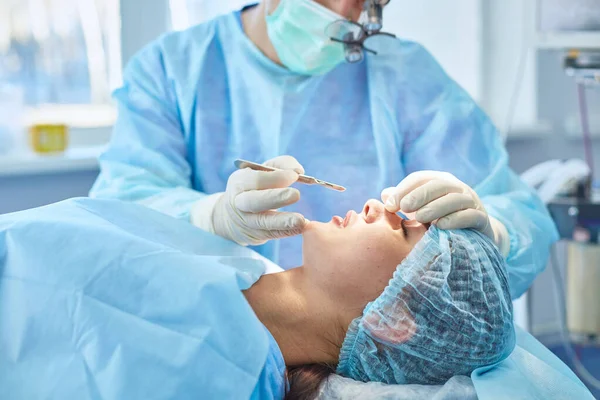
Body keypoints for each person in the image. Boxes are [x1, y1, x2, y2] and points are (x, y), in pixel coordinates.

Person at [89, 0, 558, 300]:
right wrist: (209, 218)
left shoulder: (405, 74)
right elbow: (119, 210)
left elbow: (520, 213)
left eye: (367, 3)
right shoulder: (171, 69)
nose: (346, 15)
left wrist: (493, 234)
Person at [0, 198, 593, 399]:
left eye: (409, 231)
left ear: (394, 322)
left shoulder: (213, 370)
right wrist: (203, 214)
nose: (383, 206)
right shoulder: (231, 263)